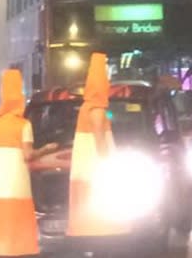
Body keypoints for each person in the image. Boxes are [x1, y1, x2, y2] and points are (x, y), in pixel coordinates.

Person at [0, 69, 57, 257]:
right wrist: (47, 149)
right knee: (15, 215)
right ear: (19, 99)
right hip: (14, 182)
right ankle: (14, 246)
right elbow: (28, 155)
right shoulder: (22, 125)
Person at [66, 53, 129, 241]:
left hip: (88, 173)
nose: (108, 82)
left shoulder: (87, 107)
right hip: (97, 174)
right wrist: (106, 163)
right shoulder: (96, 109)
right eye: (106, 77)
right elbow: (99, 137)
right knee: (103, 227)